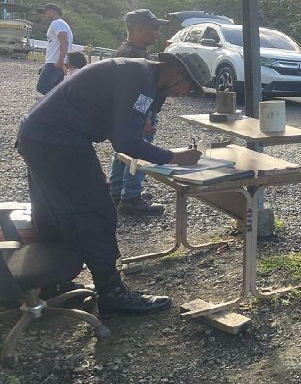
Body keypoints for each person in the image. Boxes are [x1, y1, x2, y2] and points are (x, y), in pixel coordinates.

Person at [16, 52, 209, 315]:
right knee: (96, 213)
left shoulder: (140, 72)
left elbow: (118, 115)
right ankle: (112, 294)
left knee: (52, 212)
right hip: (59, 143)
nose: (187, 94)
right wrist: (175, 157)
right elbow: (126, 143)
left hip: (37, 136)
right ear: (176, 72)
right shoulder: (140, 80)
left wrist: (137, 124)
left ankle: (51, 285)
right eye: (190, 87)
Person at [108, 9, 169, 215]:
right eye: (154, 28)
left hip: (132, 114)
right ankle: (131, 197)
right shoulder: (133, 56)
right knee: (138, 152)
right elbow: (136, 93)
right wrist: (144, 117)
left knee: (122, 151)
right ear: (138, 29)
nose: (157, 33)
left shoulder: (129, 51)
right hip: (139, 114)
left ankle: (117, 191)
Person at [35, 3, 73, 95]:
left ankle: (61, 104)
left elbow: (64, 40)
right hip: (56, 61)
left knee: (42, 87)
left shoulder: (57, 23)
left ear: (53, 12)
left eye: (45, 12)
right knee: (55, 88)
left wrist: (60, 61)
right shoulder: (62, 24)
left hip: (55, 62)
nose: (43, 15)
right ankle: (58, 106)